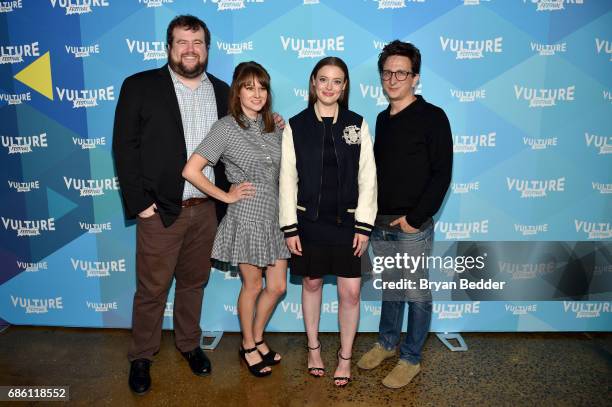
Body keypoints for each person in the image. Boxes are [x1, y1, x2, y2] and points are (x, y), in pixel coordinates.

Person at [113, 15, 230, 395]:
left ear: (207, 48)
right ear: (169, 48)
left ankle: (189, 345)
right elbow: (124, 149)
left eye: (197, 43)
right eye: (182, 42)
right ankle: (142, 356)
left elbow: (238, 145)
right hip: (160, 211)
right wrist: (140, 205)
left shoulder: (224, 91)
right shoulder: (140, 87)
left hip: (207, 210)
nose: (190, 50)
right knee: (151, 289)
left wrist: (271, 123)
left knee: (194, 283)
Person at [182, 61, 290, 378]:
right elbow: (191, 170)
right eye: (249, 87)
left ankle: (255, 339)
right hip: (247, 216)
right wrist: (226, 195)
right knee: (253, 286)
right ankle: (247, 345)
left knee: (279, 286)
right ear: (237, 91)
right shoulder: (225, 127)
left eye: (262, 87)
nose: (256, 93)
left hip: (276, 217)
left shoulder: (275, 126)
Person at [356, 40, 453, 389]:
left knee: (415, 291)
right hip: (381, 223)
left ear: (415, 77)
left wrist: (414, 219)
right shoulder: (382, 119)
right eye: (387, 72)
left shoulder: (433, 117)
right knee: (393, 289)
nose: (393, 78)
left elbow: (442, 173)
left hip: (412, 226)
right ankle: (386, 343)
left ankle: (410, 357)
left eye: (402, 72)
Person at [279, 57, 377, 387]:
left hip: (349, 224)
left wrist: (364, 225)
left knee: (350, 293)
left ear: (345, 86)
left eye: (337, 81)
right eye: (323, 80)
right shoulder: (296, 125)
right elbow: (287, 178)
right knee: (312, 284)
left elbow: (368, 177)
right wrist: (290, 226)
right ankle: (314, 349)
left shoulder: (357, 124)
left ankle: (345, 357)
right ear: (312, 83)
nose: (329, 87)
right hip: (309, 223)